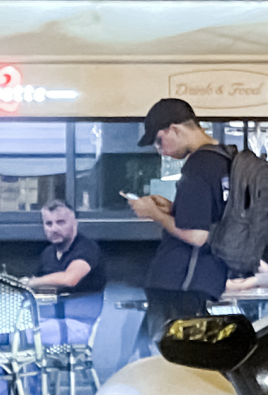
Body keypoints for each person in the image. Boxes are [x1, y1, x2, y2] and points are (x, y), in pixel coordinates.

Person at [127, 98, 234, 356]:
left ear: (174, 128)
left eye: (159, 141)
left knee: (164, 362)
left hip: (179, 283)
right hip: (204, 280)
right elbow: (212, 216)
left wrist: (154, 213)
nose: (161, 150)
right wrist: (173, 208)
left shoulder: (198, 164)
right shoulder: (225, 159)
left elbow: (198, 235)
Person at [24, 199, 108, 350]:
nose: (54, 228)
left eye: (61, 222)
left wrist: (30, 282)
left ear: (75, 223)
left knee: (18, 335)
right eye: (48, 224)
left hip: (80, 324)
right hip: (50, 319)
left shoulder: (87, 248)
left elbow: (70, 279)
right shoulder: (48, 253)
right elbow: (40, 289)